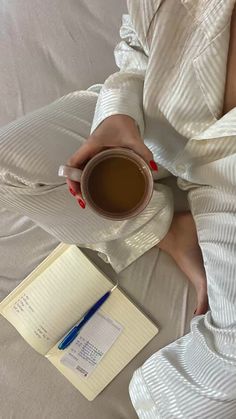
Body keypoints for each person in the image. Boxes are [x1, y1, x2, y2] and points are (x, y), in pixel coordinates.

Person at [0, 0, 236, 417]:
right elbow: (136, 39)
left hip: (225, 182)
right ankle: (168, 231)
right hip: (149, 120)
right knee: (10, 164)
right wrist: (117, 112)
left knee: (210, 392)